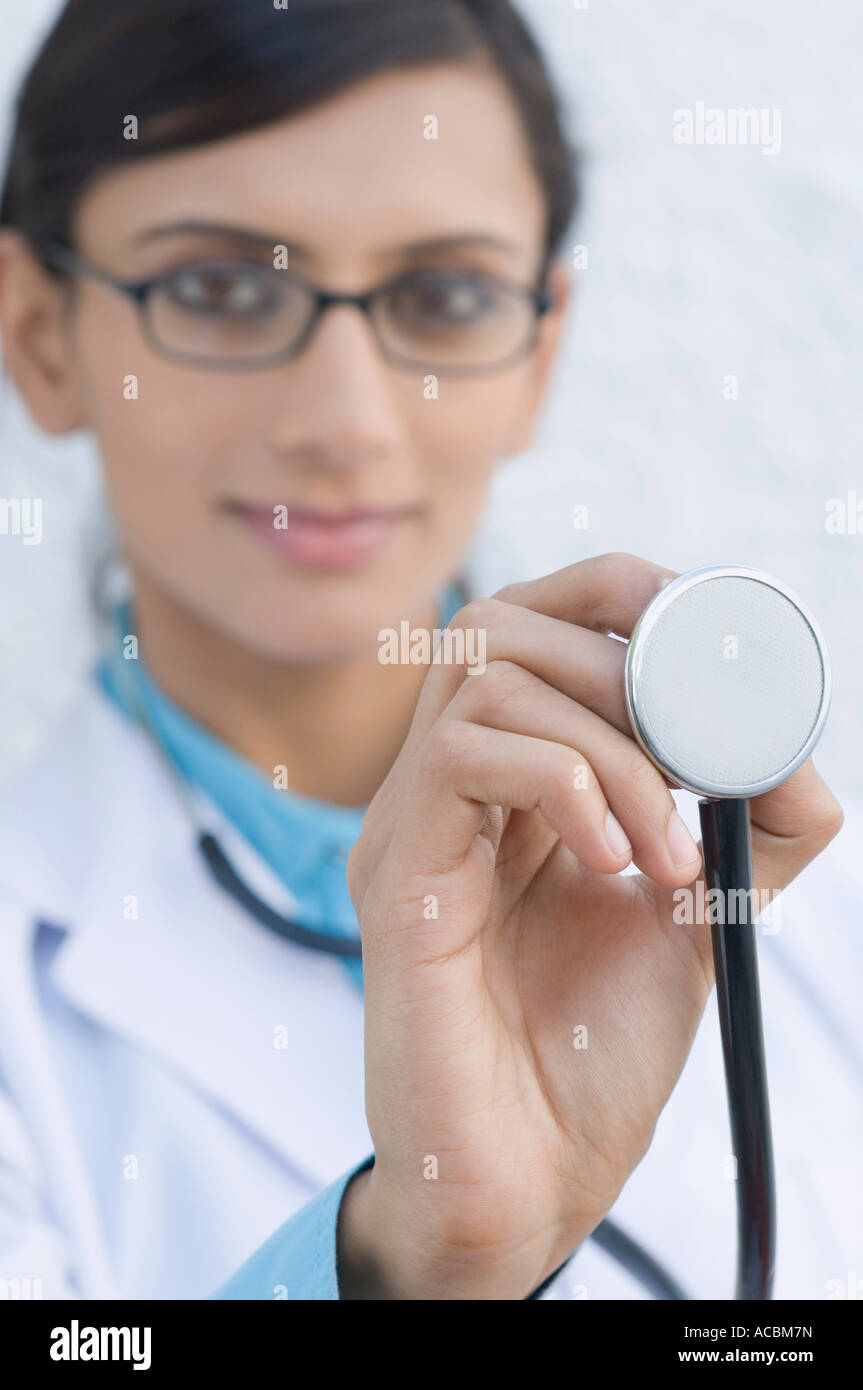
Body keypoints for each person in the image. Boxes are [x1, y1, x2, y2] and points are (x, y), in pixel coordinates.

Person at [0, 0, 853, 1302]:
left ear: (540, 348)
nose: (342, 420)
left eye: (443, 296)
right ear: (39, 335)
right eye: (220, 288)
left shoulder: (809, 911)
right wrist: (419, 1263)